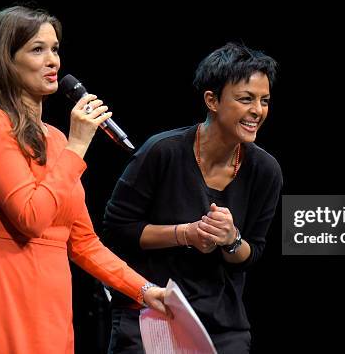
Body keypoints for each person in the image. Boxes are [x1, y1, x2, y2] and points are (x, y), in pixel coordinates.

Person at [0, 6, 169, 354]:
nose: (53, 61)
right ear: (5, 60)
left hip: (48, 307)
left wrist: (143, 290)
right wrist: (78, 145)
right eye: (38, 49)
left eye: (55, 49)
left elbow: (83, 242)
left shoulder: (58, 141)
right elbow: (31, 217)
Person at [102, 42, 283, 353]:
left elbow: (251, 254)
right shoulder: (162, 151)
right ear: (212, 100)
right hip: (152, 311)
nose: (258, 110)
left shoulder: (266, 170)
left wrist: (231, 239)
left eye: (264, 100)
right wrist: (185, 233)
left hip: (221, 324)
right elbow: (116, 229)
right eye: (245, 99)